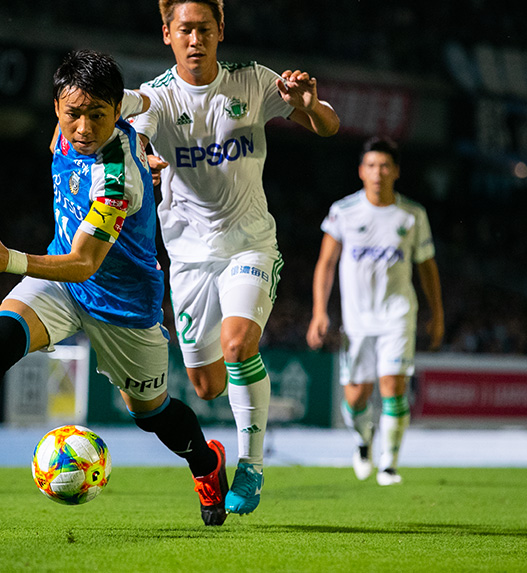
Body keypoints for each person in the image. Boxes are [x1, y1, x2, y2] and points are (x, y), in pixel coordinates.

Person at [0, 49, 230, 526]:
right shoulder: (77, 122)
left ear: (113, 113)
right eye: (72, 114)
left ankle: (207, 464)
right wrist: (142, 132)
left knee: (152, 414)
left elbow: (84, 263)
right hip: (60, 288)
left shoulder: (116, 178)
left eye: (97, 117)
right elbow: (146, 100)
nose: (82, 128)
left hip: (121, 304)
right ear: (57, 107)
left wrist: (10, 261)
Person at [130, 0, 340, 515]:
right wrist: (138, 157)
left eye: (204, 28)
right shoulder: (156, 99)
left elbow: (329, 127)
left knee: (239, 344)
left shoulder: (253, 82)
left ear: (221, 30)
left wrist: (310, 105)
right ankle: (219, 454)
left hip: (249, 244)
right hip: (188, 258)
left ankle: (252, 465)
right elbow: (118, 117)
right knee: (205, 386)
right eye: (185, 30)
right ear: (167, 35)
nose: (195, 38)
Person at [306, 136, 444, 486]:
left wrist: (437, 312)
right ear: (361, 172)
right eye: (371, 166)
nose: (378, 172)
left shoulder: (412, 215)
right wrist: (320, 312)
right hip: (356, 320)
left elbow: (426, 266)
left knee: (393, 386)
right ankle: (363, 440)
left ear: (396, 171)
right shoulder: (344, 212)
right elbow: (325, 263)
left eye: (384, 166)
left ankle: (389, 464)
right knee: (355, 398)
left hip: (398, 314)